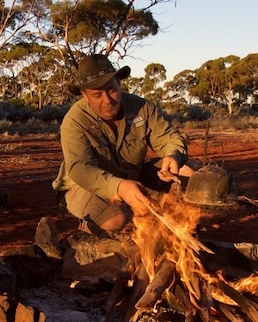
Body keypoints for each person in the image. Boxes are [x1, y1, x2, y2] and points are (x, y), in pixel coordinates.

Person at [52, 54, 189, 234]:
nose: (108, 100)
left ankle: (168, 239)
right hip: (86, 185)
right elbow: (81, 169)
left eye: (112, 90)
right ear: (84, 95)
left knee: (188, 173)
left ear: (119, 83)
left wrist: (173, 155)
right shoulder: (74, 121)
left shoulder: (141, 108)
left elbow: (167, 137)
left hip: (131, 177)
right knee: (116, 217)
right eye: (97, 95)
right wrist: (119, 187)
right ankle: (84, 237)